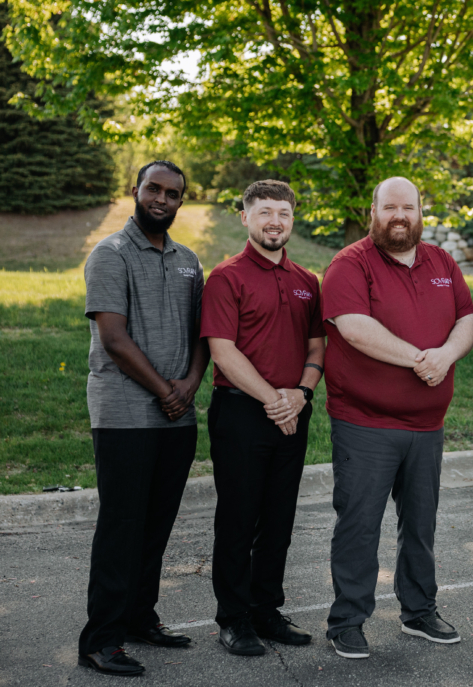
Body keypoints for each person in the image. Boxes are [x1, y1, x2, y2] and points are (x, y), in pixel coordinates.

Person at [321, 177, 473, 659]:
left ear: (419, 211)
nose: (399, 216)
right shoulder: (350, 263)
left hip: (427, 427)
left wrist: (446, 355)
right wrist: (419, 358)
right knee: (360, 524)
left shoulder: (442, 262)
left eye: (407, 207)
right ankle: (347, 620)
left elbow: (467, 319)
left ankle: (419, 612)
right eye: (389, 207)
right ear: (374, 210)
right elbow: (354, 328)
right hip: (366, 422)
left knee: (421, 524)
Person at [78, 161, 209, 676]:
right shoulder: (109, 254)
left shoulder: (188, 260)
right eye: (153, 188)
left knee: (156, 526)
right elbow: (113, 338)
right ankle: (101, 639)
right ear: (136, 191)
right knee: (122, 527)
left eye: (172, 193)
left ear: (181, 201)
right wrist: (165, 391)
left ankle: (139, 618)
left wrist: (191, 385)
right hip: (125, 414)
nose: (161, 198)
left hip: (177, 416)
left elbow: (204, 332)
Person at [200, 180, 326, 656]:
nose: (276, 221)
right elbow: (222, 351)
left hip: (294, 410)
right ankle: (233, 619)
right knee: (238, 518)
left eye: (284, 213)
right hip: (241, 412)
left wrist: (300, 394)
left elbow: (317, 346)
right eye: (265, 212)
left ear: (293, 219)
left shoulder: (306, 280)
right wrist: (275, 400)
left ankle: (266, 610)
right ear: (246, 217)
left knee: (278, 520)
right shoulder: (226, 277)